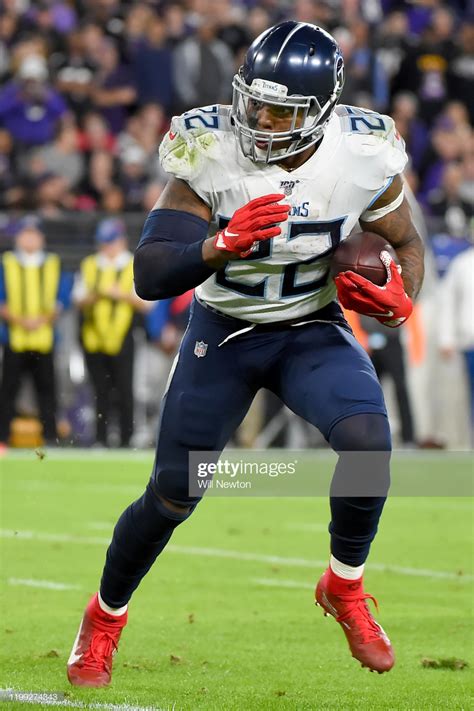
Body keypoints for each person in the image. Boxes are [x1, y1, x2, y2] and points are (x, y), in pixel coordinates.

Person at [67, 22, 424, 687]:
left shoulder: (362, 153)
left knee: (370, 442)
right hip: (224, 331)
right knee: (174, 494)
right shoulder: (212, 151)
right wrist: (216, 247)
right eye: (253, 101)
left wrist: (404, 300)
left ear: (320, 112)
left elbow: (406, 244)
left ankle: (344, 584)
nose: (258, 120)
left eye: (280, 110)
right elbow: (149, 273)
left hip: (309, 327)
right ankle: (103, 617)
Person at [73, 218, 150, 448]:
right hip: (94, 337)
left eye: (112, 242)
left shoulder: (133, 263)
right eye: (105, 243)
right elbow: (78, 300)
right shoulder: (90, 264)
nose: (108, 248)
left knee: (125, 389)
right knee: (100, 390)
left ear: (121, 241)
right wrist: (100, 293)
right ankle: (101, 438)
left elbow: (147, 303)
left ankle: (127, 438)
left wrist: (122, 295)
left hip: (125, 336)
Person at [0, 217, 70, 445]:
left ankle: (50, 436)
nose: (29, 239)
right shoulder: (6, 262)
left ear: (41, 238)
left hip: (44, 337)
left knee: (47, 391)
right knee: (8, 390)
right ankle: (3, 437)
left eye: (33, 234)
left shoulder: (53, 263)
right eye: (25, 234)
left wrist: (41, 320)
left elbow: (62, 298)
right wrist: (20, 320)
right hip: (15, 337)